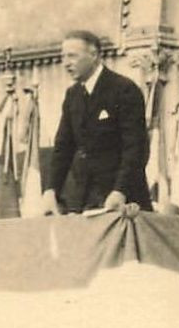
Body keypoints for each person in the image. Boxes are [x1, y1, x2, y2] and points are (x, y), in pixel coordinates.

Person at [45, 29, 151, 213]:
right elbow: (63, 147)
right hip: (84, 198)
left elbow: (135, 147)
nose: (66, 63)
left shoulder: (123, 89)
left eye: (72, 56)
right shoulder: (73, 95)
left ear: (94, 55)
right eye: (63, 57)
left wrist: (120, 190)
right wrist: (51, 190)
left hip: (123, 200)